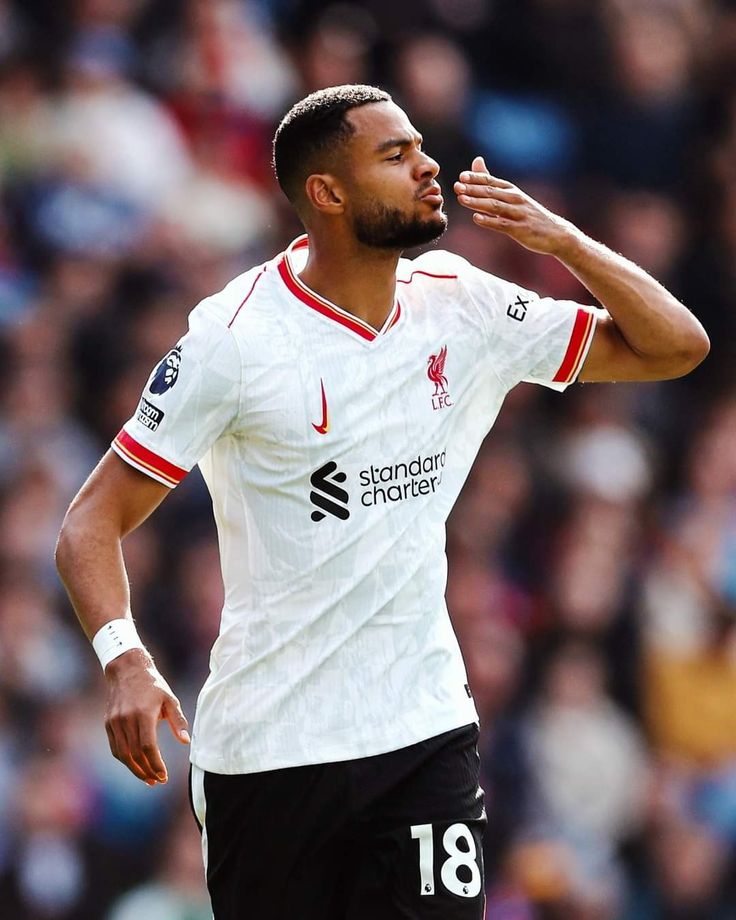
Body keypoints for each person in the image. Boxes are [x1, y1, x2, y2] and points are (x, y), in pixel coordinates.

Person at [55, 84, 709, 919]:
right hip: (269, 750)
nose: (427, 165)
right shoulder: (237, 340)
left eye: (420, 147)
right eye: (395, 156)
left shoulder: (460, 302)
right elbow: (89, 521)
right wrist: (127, 659)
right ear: (327, 193)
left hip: (420, 729)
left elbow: (676, 345)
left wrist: (566, 242)